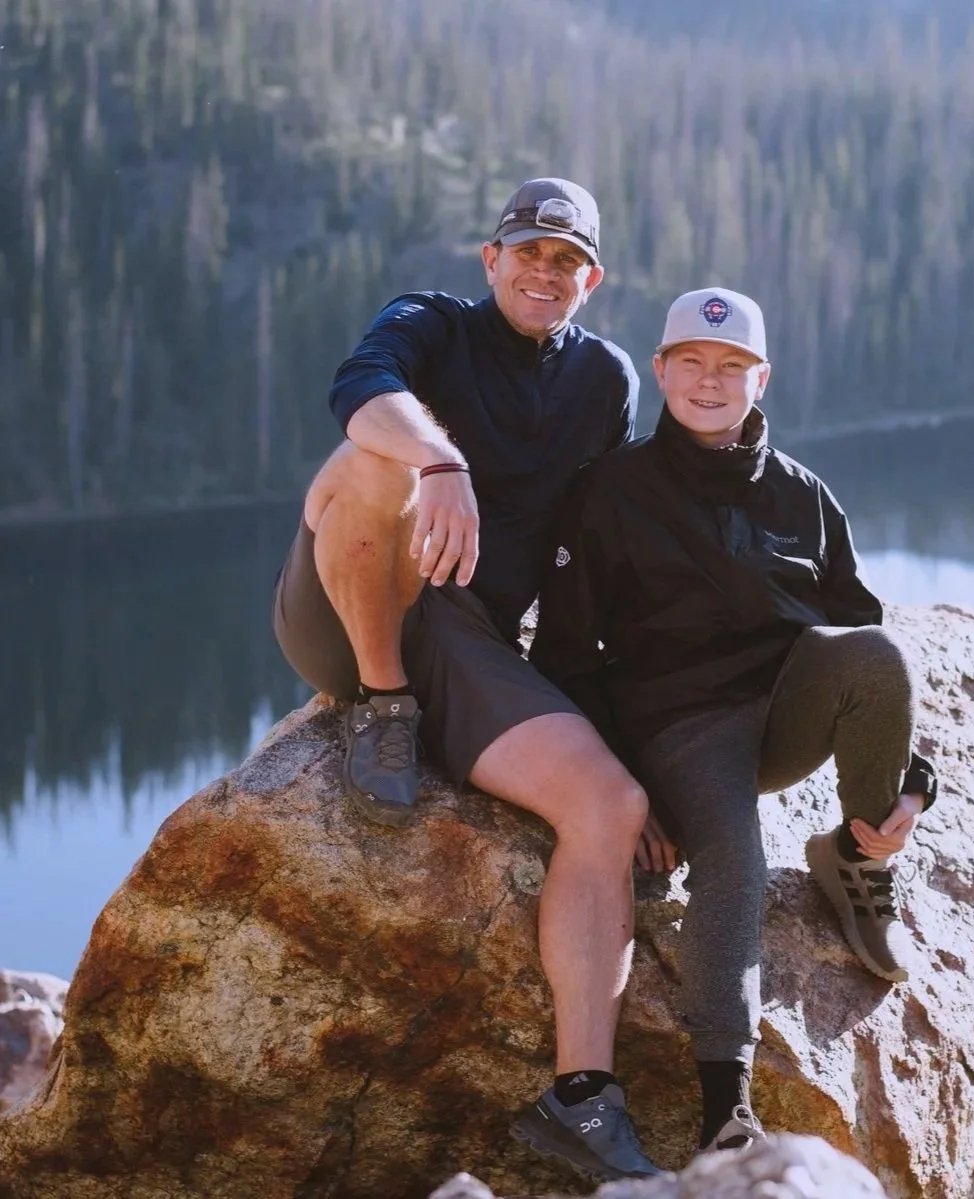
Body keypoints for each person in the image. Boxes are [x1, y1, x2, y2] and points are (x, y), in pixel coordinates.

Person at [270, 179, 663, 1180]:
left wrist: (622, 737)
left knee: (609, 805)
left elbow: (589, 553)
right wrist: (442, 462)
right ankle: (382, 703)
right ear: (491, 260)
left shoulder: (603, 380)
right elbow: (359, 388)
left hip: (472, 638)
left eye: (567, 260)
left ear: (590, 281)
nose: (545, 271)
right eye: (528, 251)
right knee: (377, 459)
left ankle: (581, 1099)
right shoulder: (429, 324)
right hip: (352, 601)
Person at [531, 287, 939, 1155]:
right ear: (660, 370)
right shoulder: (610, 492)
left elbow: (860, 633)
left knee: (875, 656)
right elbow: (565, 653)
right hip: (681, 723)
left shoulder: (802, 495)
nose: (709, 381)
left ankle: (858, 856)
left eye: (730, 366)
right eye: (691, 362)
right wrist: (627, 787)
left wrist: (911, 782)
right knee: (734, 862)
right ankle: (727, 1109)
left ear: (762, 379)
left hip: (783, 709)